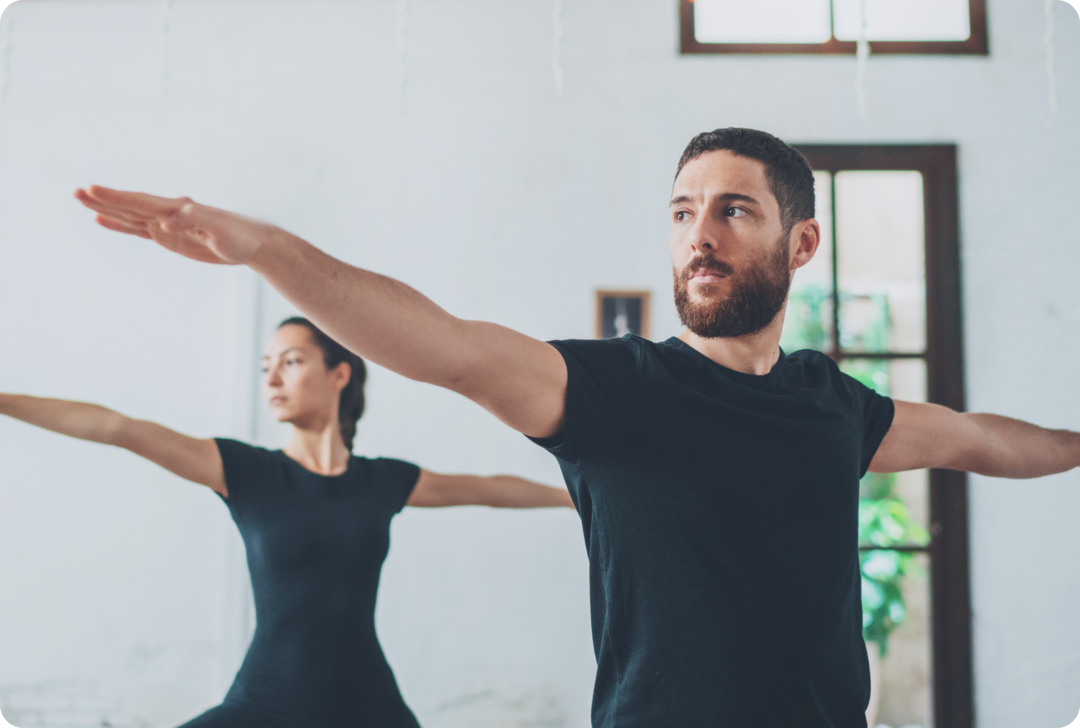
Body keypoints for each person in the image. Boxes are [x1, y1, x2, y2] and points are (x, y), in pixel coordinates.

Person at [74, 127, 1080, 727]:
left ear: (800, 240)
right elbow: (446, 343)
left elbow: (985, 441)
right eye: (684, 210)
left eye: (734, 210)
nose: (701, 233)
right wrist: (268, 248)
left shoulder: (833, 405)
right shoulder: (614, 391)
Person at [0, 315, 574, 728]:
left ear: (339, 374)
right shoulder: (245, 472)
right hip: (267, 703)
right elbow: (119, 428)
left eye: (291, 362)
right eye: (265, 366)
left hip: (368, 704)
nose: (272, 378)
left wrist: (578, 499)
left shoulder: (381, 482)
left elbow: (490, 490)